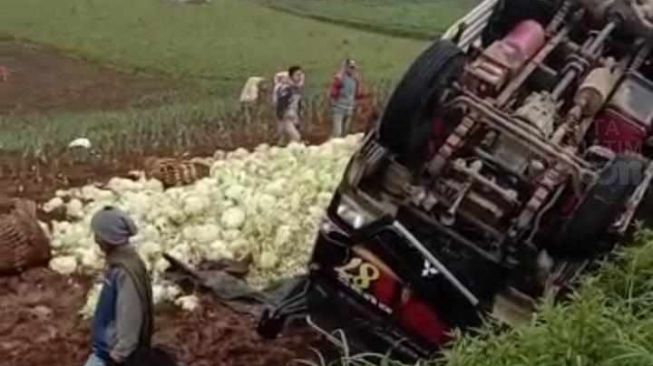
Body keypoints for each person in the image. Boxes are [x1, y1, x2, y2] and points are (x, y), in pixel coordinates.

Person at [83, 206, 153, 366]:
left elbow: (130, 316)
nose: (96, 240)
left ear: (109, 238)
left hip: (112, 355)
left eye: (98, 235)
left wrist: (118, 356)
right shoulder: (121, 263)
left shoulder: (124, 273)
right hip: (106, 349)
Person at [329, 59, 365, 138]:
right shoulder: (340, 78)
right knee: (337, 132)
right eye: (350, 67)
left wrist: (357, 105)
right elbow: (333, 92)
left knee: (346, 133)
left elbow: (357, 94)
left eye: (353, 68)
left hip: (349, 109)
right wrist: (333, 103)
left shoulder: (356, 80)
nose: (352, 70)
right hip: (339, 109)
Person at [275, 65, 305, 145]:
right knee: (296, 138)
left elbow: (297, 104)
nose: (299, 77)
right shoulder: (286, 89)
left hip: (293, 117)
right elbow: (281, 105)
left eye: (300, 75)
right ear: (291, 76)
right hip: (286, 117)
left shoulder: (296, 88)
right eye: (297, 75)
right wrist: (282, 118)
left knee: (283, 141)